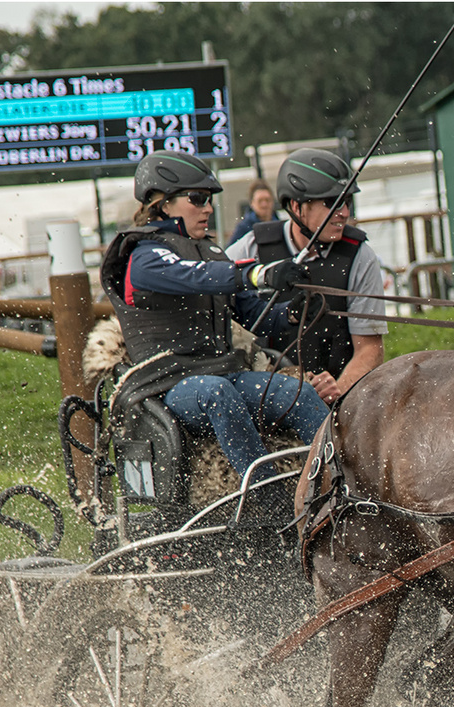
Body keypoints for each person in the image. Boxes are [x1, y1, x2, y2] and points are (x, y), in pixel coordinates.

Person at [99, 151, 329, 515]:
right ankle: (273, 505)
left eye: (209, 201)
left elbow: (254, 315)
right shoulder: (143, 256)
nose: (207, 209)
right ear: (162, 203)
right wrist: (259, 273)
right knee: (215, 392)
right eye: (197, 199)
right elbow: (192, 276)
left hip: (223, 372)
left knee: (296, 392)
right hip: (167, 385)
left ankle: (339, 488)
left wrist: (292, 314)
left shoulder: (212, 252)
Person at [226, 147, 387, 406]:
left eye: (346, 202)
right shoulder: (252, 247)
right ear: (296, 206)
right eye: (331, 203)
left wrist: (336, 390)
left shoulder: (360, 257)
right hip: (265, 396)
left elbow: (370, 350)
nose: (344, 212)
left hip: (337, 403)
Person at [227, 178, 276, 245]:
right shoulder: (244, 228)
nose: (264, 205)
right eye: (260, 201)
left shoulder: (279, 224)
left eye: (267, 200)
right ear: (252, 203)